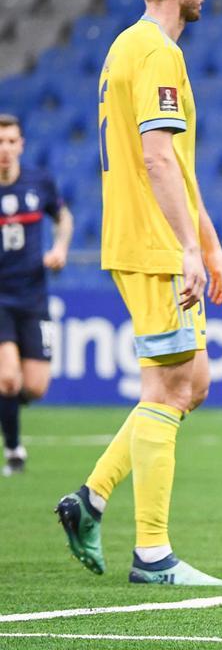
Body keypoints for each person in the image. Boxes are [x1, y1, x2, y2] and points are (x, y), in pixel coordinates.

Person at [55, 0, 222, 586]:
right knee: (169, 388)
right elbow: (157, 157)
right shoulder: (157, 53)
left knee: (192, 383)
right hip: (154, 245)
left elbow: (178, 166)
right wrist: (188, 248)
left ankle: (90, 499)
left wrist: (209, 244)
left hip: (155, 240)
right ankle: (153, 555)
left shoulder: (129, 49)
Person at [0, 113, 72, 476]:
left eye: (11, 141)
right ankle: (14, 451)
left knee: (35, 386)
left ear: (21, 145)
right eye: (0, 142)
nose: (5, 149)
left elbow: (63, 218)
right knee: (8, 377)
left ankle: (5, 404)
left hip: (33, 296)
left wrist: (60, 248)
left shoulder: (38, 182)